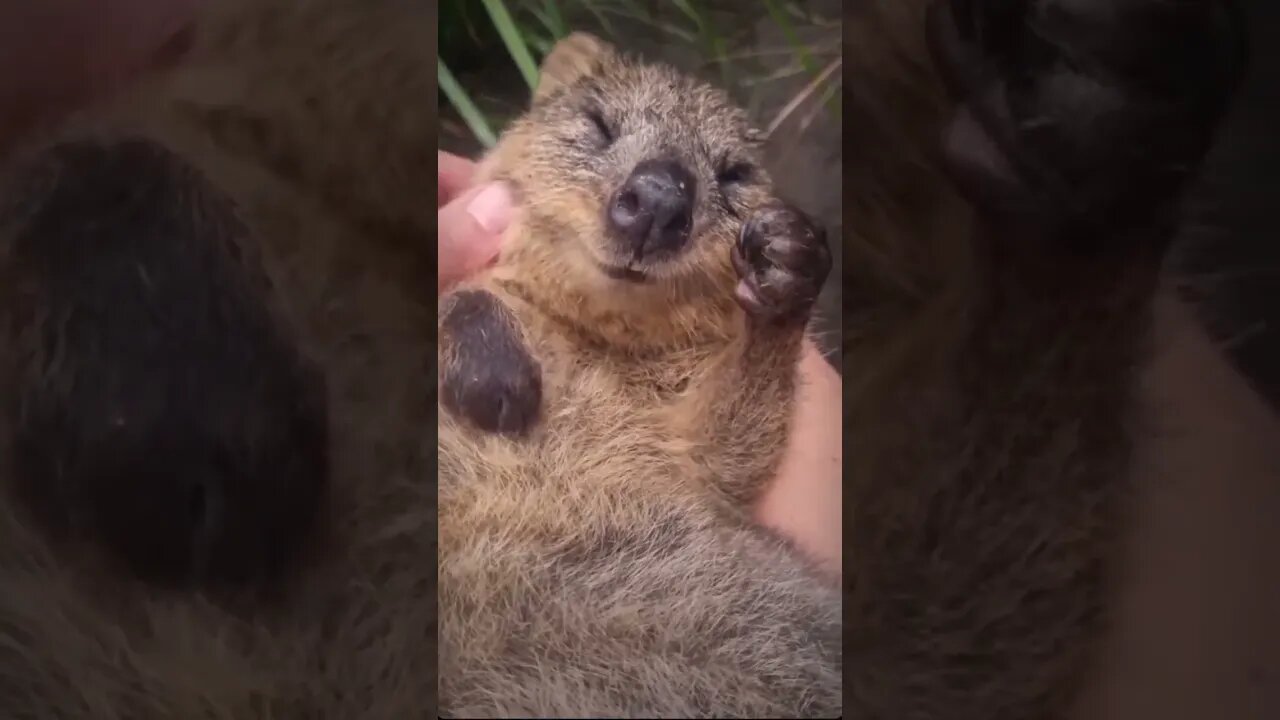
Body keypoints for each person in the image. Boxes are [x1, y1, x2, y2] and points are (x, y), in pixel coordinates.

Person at [0, 0, 844, 577]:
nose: (658, 207)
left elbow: (725, 467)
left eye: (731, 186)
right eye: (592, 128)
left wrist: (767, 335)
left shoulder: (710, 337)